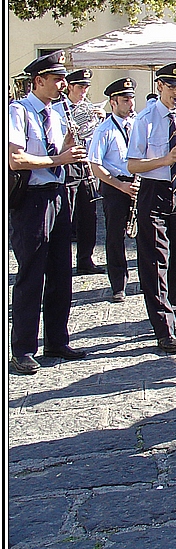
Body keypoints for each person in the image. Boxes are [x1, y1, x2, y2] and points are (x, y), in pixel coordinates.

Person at [8, 51, 89, 374]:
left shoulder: (55, 113)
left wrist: (69, 146)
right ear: (38, 81)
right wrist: (59, 160)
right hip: (32, 199)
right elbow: (16, 159)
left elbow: (58, 152)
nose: (62, 85)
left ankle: (57, 339)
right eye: (56, 80)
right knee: (32, 273)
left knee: (60, 271)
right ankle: (24, 348)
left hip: (58, 194)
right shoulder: (19, 111)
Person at [127, 63, 176, 354]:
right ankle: (162, 326)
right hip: (155, 190)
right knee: (155, 260)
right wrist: (166, 158)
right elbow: (133, 164)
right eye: (172, 87)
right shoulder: (145, 119)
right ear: (160, 86)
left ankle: (173, 311)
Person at [88, 77, 141, 303]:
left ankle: (148, 280)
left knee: (146, 234)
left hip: (138, 184)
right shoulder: (105, 130)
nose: (131, 104)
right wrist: (121, 186)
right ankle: (118, 284)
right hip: (115, 186)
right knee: (115, 237)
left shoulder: (139, 124)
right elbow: (95, 165)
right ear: (113, 102)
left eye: (132, 99)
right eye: (125, 100)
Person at [61, 69, 105, 275]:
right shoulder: (57, 109)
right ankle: (62, 261)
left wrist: (102, 120)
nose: (84, 92)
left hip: (85, 163)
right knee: (66, 215)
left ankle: (85, 260)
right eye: (80, 87)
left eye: (86, 88)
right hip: (66, 162)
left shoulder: (89, 109)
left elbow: (96, 138)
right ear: (69, 87)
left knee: (89, 214)